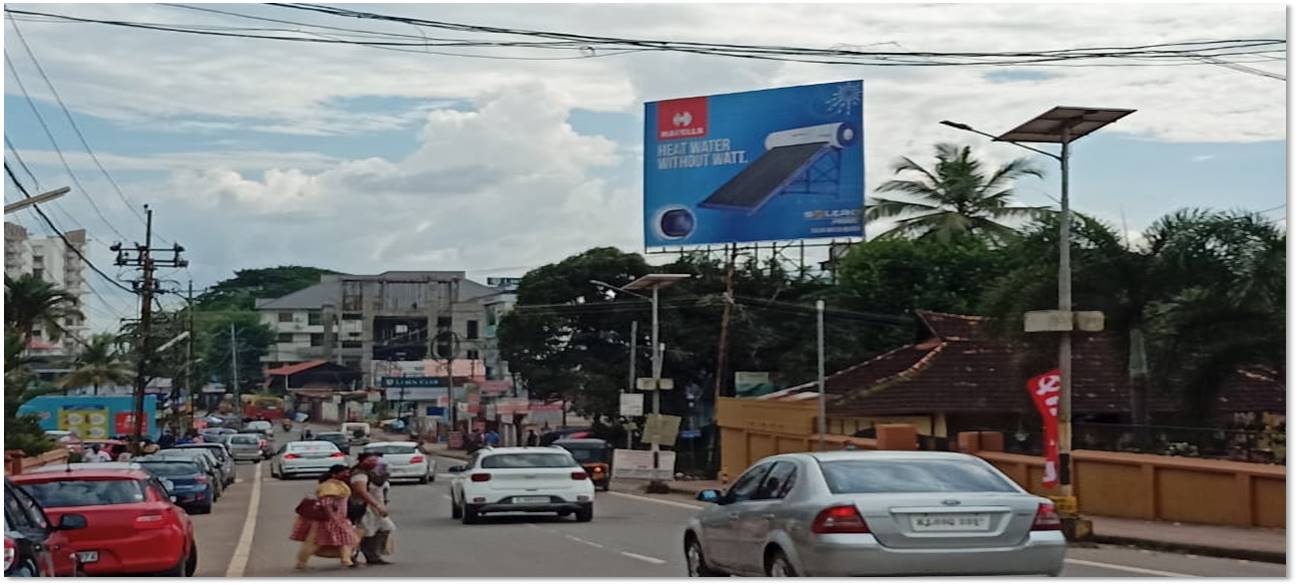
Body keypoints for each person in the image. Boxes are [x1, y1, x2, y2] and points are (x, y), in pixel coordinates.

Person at [290, 465, 358, 570]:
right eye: (344, 472)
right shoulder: (329, 486)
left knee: (346, 539)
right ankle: (301, 562)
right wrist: (333, 518)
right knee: (316, 542)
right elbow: (326, 503)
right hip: (326, 520)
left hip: (339, 519)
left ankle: (346, 560)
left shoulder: (339, 484)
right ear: (334, 474)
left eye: (347, 472)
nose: (347, 474)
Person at [348, 453, 390, 565]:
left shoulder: (372, 474)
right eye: (370, 460)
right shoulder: (359, 474)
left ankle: (372, 555)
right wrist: (377, 505)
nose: (374, 463)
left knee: (383, 528)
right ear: (362, 461)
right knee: (362, 533)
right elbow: (361, 492)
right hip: (364, 507)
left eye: (375, 460)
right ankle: (351, 555)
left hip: (374, 507)